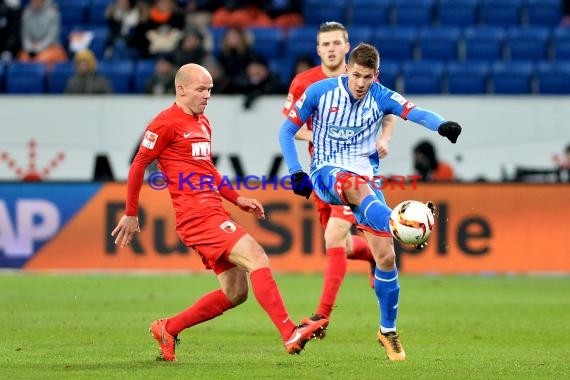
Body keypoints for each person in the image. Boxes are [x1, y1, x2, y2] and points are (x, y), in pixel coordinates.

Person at [111, 63, 328, 361]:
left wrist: (237, 199)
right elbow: (138, 165)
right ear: (181, 89)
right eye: (201, 89)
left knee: (236, 292)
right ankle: (290, 332)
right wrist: (131, 213)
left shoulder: (203, 123)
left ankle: (168, 328)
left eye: (210, 90)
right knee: (257, 257)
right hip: (196, 216)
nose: (207, 95)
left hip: (212, 210)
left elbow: (208, 170)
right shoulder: (164, 123)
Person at [279, 43, 462, 361]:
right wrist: (296, 171)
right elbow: (286, 130)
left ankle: (387, 330)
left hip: (367, 182)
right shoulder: (319, 92)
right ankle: (400, 220)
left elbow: (415, 112)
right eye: (357, 75)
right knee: (353, 186)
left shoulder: (381, 95)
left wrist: (442, 125)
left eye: (368, 77)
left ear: (376, 75)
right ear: (347, 70)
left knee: (387, 258)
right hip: (327, 173)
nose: (361, 83)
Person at [282, 22, 394, 336]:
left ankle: (321, 316)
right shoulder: (304, 82)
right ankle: (374, 253)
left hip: (354, 173)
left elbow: (388, 114)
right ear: (318, 49)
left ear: (346, 48)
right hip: (323, 176)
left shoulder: (364, 78)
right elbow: (292, 126)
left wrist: (384, 138)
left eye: (336, 43)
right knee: (341, 245)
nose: (330, 48)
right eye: (325, 44)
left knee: (333, 237)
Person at [18, 0, 67, 68]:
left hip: (51, 46)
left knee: (41, 60)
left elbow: (52, 36)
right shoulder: (26, 13)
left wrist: (39, 47)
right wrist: (29, 47)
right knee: (23, 59)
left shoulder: (52, 12)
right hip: (31, 47)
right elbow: (25, 34)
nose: (37, 2)